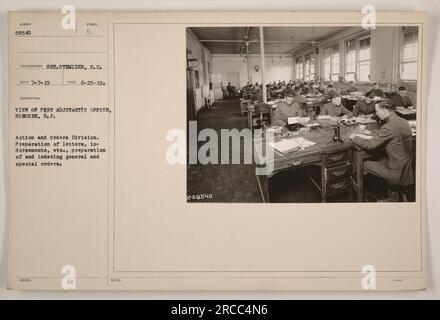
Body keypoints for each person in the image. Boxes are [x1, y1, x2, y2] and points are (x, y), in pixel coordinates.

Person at [350, 100, 414, 196]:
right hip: (406, 169)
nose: (376, 113)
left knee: (360, 162)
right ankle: (381, 190)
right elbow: (392, 136)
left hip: (395, 173)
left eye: (377, 111)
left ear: (384, 111)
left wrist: (354, 137)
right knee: (379, 159)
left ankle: (367, 194)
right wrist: (378, 134)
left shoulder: (388, 127)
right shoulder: (404, 122)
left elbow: (371, 145)